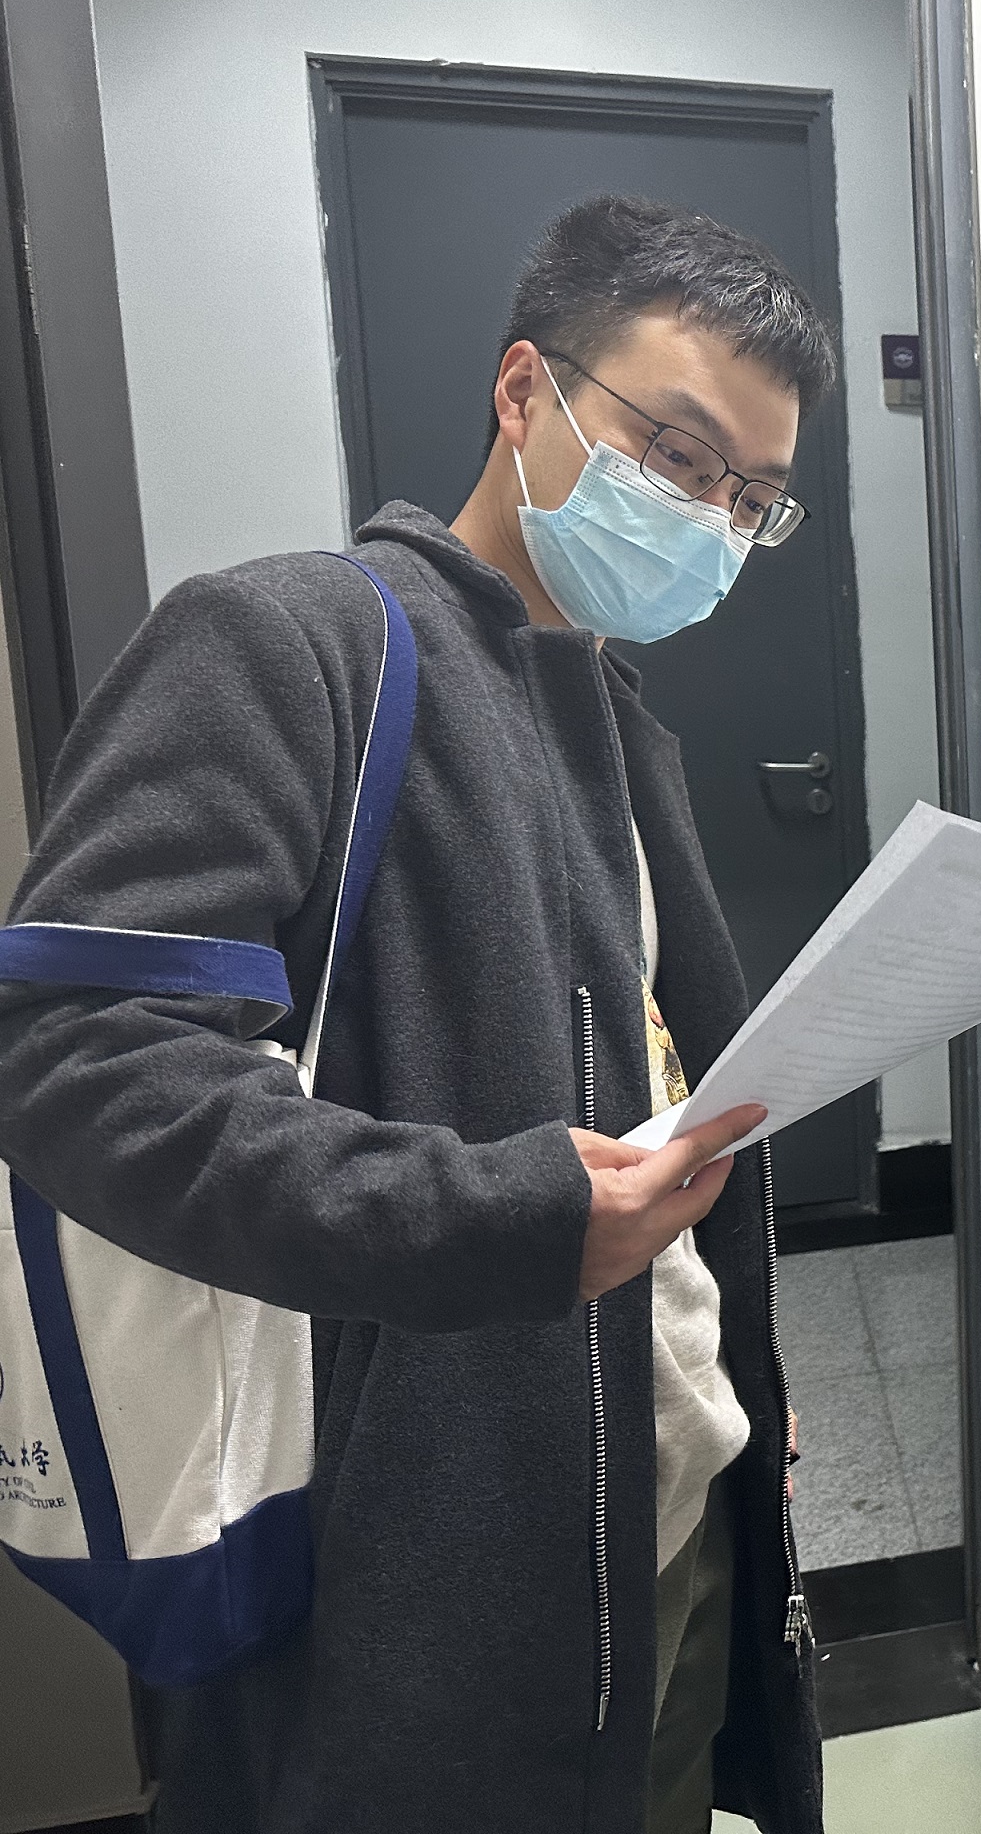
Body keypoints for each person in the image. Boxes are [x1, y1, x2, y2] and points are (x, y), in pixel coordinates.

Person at [0, 194, 833, 1833]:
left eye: (751, 497)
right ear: (524, 393)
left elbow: (644, 1087)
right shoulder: (288, 643)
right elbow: (76, 1059)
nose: (710, 519)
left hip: (667, 1505)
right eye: (676, 453)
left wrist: (730, 1364)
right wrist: (494, 1216)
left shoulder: (612, 717)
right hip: (413, 1589)